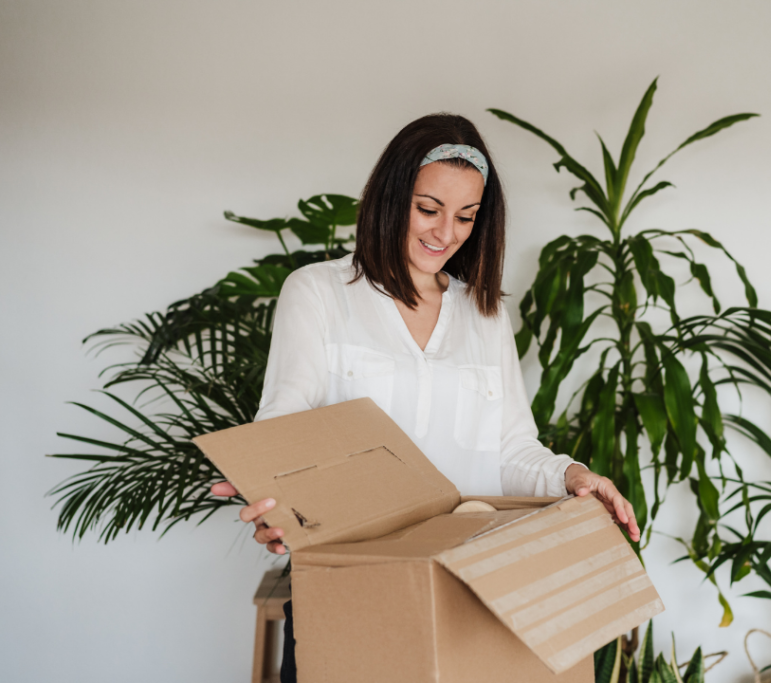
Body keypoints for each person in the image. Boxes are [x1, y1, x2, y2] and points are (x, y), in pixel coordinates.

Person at [210, 113, 639, 682]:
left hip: (473, 598)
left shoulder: (485, 315)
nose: (446, 233)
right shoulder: (319, 294)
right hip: (353, 596)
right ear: (390, 198)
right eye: (428, 209)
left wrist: (573, 476)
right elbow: (284, 431)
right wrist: (276, 498)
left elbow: (511, 450)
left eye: (466, 216)